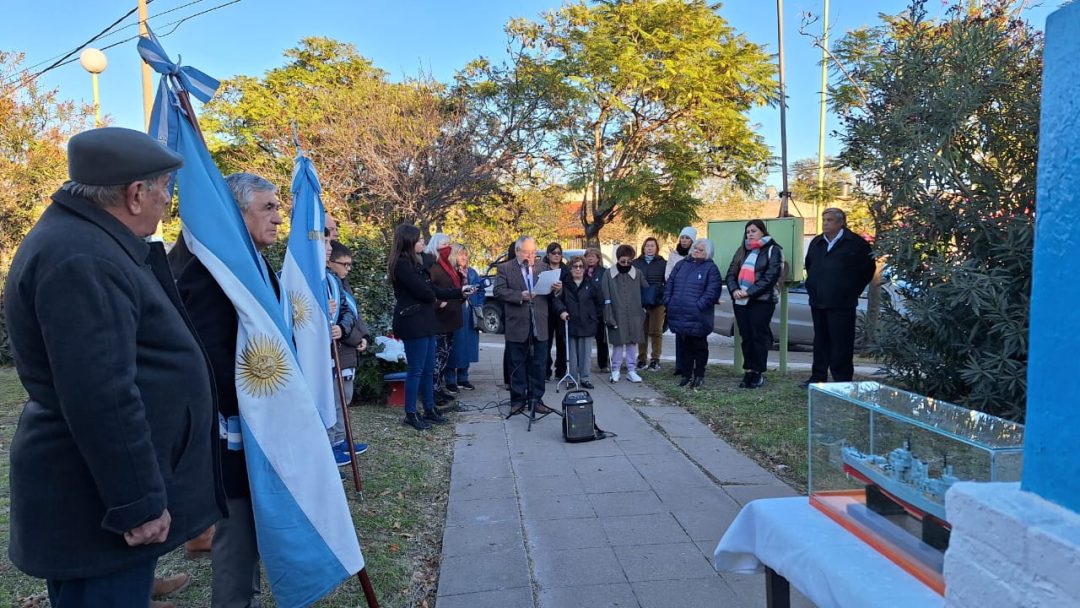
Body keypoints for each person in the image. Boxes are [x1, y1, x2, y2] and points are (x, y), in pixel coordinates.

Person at [4, 127, 223, 607]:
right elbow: (100, 393)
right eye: (165, 188)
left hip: (92, 494)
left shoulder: (86, 241)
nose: (168, 200)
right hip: (93, 503)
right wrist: (137, 504)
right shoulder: (81, 257)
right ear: (136, 192)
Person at [175, 171, 285, 607]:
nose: (278, 219)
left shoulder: (253, 263)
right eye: (268, 208)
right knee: (237, 529)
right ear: (236, 216)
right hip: (233, 430)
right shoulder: (209, 272)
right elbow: (210, 358)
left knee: (254, 526)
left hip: (261, 423)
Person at [388, 225, 473, 430]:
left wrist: (459, 292)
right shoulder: (401, 265)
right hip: (412, 321)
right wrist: (432, 293)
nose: (423, 244)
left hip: (426, 320)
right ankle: (411, 413)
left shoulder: (417, 263)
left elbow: (432, 289)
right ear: (408, 242)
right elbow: (424, 292)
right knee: (416, 369)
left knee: (428, 369)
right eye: (419, 240)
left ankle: (429, 408)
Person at [802, 208, 876, 387]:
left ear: (841, 222)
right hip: (818, 301)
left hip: (842, 303)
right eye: (824, 219)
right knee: (820, 341)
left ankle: (842, 380)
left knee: (841, 342)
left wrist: (851, 290)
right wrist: (813, 287)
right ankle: (818, 377)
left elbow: (867, 269)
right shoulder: (817, 242)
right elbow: (809, 265)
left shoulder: (856, 244)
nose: (825, 223)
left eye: (829, 220)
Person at [495, 236, 565, 414]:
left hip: (539, 323)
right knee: (517, 363)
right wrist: (520, 295)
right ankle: (517, 400)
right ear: (518, 251)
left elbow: (550, 295)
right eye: (527, 252)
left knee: (539, 364)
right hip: (517, 323)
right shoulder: (505, 268)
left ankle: (536, 398)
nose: (531, 255)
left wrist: (557, 289)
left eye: (534, 252)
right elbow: (499, 291)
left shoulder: (543, 267)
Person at [725, 220, 784, 389]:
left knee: (758, 336)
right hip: (741, 301)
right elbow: (731, 273)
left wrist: (749, 292)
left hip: (762, 300)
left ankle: (758, 372)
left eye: (753, 231)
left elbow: (771, 275)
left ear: (762, 232)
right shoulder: (742, 251)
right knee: (747, 337)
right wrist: (735, 289)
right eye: (747, 232)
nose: (750, 234)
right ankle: (748, 371)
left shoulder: (773, 250)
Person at [327, 239, 370, 463]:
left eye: (350, 264)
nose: (348, 269)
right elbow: (336, 322)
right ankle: (333, 442)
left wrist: (363, 337)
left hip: (348, 349)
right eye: (344, 264)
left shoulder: (342, 284)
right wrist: (353, 337)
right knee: (336, 399)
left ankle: (342, 438)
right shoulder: (328, 282)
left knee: (345, 398)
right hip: (340, 350)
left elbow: (352, 314)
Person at [664, 237, 722, 389]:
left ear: (707, 253)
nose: (696, 251)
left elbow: (712, 291)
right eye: (695, 248)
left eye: (700, 250)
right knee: (684, 347)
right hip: (679, 313)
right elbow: (670, 283)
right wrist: (669, 301)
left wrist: (698, 306)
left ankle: (699, 375)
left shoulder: (710, 268)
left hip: (698, 316)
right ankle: (686, 374)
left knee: (699, 347)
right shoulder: (681, 264)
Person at [425, 233, 463, 403]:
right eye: (444, 244)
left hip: (451, 316)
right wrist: (437, 303)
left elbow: (452, 285)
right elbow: (428, 289)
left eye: (449, 243)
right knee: (438, 355)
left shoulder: (447, 264)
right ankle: (432, 390)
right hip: (439, 317)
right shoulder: (432, 264)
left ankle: (438, 387)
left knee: (445, 355)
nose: (448, 247)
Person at [602, 244, 647, 383]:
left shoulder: (637, 273)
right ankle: (615, 369)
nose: (626, 264)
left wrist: (643, 310)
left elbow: (645, 289)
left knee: (632, 342)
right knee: (618, 342)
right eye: (623, 261)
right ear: (618, 259)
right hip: (617, 311)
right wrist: (608, 314)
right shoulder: (608, 274)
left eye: (629, 261)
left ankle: (631, 370)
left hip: (634, 313)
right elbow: (605, 296)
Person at [559, 255, 603, 388]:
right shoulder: (564, 284)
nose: (578, 269)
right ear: (570, 268)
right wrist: (562, 311)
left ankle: (585, 378)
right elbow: (557, 300)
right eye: (575, 266)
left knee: (585, 354)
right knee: (571, 354)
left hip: (587, 323)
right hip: (570, 322)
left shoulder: (591, 284)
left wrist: (593, 317)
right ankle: (571, 378)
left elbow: (599, 302)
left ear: (584, 269)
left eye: (580, 266)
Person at [446, 244, 482, 392]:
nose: (464, 257)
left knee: (468, 345)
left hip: (470, 312)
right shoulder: (450, 272)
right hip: (455, 312)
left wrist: (478, 302)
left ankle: (463, 377)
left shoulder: (472, 272)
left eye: (466, 254)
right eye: (461, 254)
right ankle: (450, 379)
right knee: (454, 346)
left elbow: (481, 291)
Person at [665, 226, 697, 377]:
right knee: (679, 333)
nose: (684, 240)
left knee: (692, 334)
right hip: (677, 297)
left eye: (687, 238)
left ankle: (691, 364)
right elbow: (668, 275)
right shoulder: (674, 255)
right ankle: (679, 365)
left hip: (692, 298)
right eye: (682, 237)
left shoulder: (697, 254)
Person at [633, 237, 667, 371]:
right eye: (647, 246)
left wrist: (662, 293)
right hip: (641, 301)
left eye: (652, 246)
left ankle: (655, 359)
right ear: (643, 248)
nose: (649, 248)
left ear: (656, 248)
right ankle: (642, 359)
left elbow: (667, 281)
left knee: (656, 331)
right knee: (642, 331)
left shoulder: (662, 263)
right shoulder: (636, 263)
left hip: (657, 301)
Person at [583, 247, 609, 372]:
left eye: (593, 256)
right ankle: (582, 364)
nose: (590, 258)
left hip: (599, 310)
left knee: (601, 339)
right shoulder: (581, 271)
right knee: (583, 339)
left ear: (598, 259)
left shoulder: (604, 272)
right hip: (585, 310)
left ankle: (603, 364)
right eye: (588, 256)